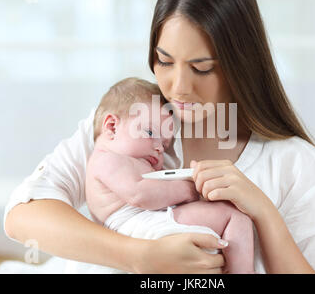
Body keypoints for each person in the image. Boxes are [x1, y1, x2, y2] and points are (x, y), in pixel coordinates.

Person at [4, 0, 315, 274]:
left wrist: (263, 211)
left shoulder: (295, 166)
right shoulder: (134, 124)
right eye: (165, 61)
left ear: (241, 65)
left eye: (201, 68)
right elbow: (23, 216)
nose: (179, 88)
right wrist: (142, 257)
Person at [83, 77, 254, 274]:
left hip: (151, 222)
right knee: (232, 217)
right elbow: (139, 195)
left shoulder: (131, 160)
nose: (158, 148)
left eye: (165, 145)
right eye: (149, 132)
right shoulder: (106, 159)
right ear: (112, 126)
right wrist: (188, 189)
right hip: (137, 226)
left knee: (233, 218)